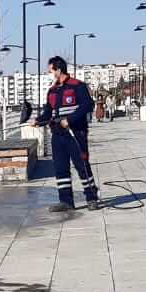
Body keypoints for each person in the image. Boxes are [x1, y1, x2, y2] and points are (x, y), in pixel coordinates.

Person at [36, 56, 100, 212]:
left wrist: (69, 120)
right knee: (60, 168)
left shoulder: (77, 86)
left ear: (58, 70)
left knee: (82, 165)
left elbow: (87, 105)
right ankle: (66, 201)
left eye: (51, 70)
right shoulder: (52, 90)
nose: (50, 73)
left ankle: (92, 198)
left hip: (75, 133)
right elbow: (48, 112)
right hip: (57, 135)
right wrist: (38, 121)